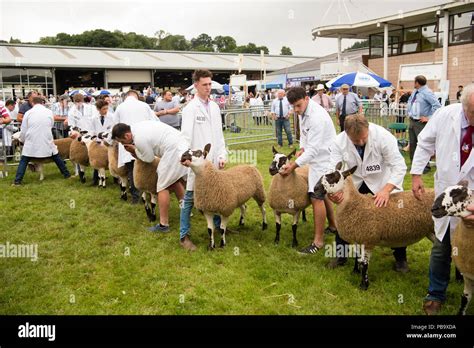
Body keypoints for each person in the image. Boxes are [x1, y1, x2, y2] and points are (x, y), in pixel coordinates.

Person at [411, 83, 474, 315]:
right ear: (463, 107)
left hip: (473, 196)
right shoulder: (445, 115)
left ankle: (467, 282)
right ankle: (435, 292)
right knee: (441, 246)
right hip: (447, 192)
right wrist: (416, 173)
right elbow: (425, 142)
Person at [326, 115, 409, 271]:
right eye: (355, 141)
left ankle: (400, 257)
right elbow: (333, 169)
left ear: (368, 129)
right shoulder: (338, 142)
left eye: (363, 138)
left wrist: (386, 190)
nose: (361, 143)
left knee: (395, 219)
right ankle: (341, 254)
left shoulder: (384, 137)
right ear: (346, 134)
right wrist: (335, 191)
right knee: (345, 216)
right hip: (355, 183)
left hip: (382, 181)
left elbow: (399, 166)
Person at [279, 87, 337, 254]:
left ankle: (317, 243)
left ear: (306, 98)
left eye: (298, 105)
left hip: (325, 159)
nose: (296, 110)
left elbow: (314, 149)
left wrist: (294, 165)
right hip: (317, 159)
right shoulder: (304, 112)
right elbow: (305, 135)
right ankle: (334, 226)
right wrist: (302, 147)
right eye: (293, 107)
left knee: (316, 196)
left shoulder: (317, 117)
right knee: (323, 194)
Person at [179, 69, 227, 251]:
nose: (208, 88)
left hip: (213, 160)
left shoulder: (214, 107)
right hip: (197, 162)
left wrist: (222, 154)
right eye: (205, 84)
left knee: (214, 193)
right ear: (196, 85)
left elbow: (219, 135)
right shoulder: (190, 108)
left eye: (210, 84)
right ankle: (184, 236)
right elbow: (185, 136)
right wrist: (185, 156)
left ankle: (217, 226)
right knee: (190, 198)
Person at [112, 121, 188, 232]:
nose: (123, 145)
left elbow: (149, 159)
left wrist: (134, 151)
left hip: (172, 149)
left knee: (162, 186)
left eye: (122, 142)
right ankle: (185, 211)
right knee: (174, 180)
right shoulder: (136, 127)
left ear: (127, 135)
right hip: (180, 144)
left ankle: (163, 225)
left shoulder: (139, 139)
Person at [111, 89, 159, 204]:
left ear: (126, 96)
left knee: (132, 169)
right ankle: (148, 194)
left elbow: (114, 126)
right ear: (136, 96)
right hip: (144, 140)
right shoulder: (144, 105)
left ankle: (136, 196)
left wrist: (110, 141)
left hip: (126, 141)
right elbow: (155, 121)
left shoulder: (120, 107)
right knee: (147, 168)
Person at [12, 97, 70, 185]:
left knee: (24, 160)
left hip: (32, 140)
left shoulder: (28, 113)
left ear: (32, 103)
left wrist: (23, 140)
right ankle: (66, 174)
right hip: (46, 138)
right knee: (56, 156)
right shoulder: (49, 112)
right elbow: (51, 125)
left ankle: (17, 181)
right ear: (42, 102)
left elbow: (24, 129)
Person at [407, 75, 441, 174]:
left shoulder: (427, 92)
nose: (414, 83)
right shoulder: (415, 91)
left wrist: (428, 118)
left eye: (414, 81)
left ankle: (425, 167)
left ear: (417, 82)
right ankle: (415, 166)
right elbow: (411, 102)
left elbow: (437, 106)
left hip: (421, 123)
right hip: (412, 121)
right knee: (412, 144)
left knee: (422, 145)